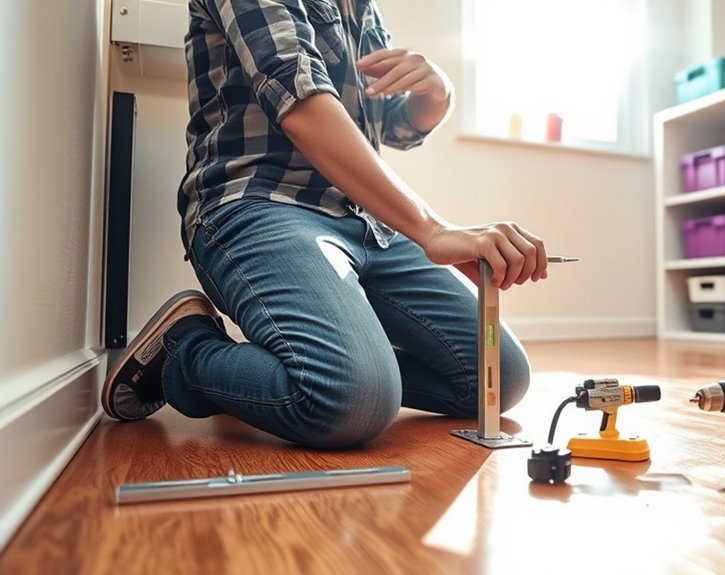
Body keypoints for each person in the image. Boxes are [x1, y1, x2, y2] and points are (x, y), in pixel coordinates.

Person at [102, 0, 549, 448]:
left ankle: (329, 363)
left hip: (365, 224)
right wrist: (431, 228)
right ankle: (185, 351)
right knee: (350, 400)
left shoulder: (363, 9)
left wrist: (438, 93)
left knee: (499, 377)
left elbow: (388, 127)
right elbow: (300, 102)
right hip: (261, 205)